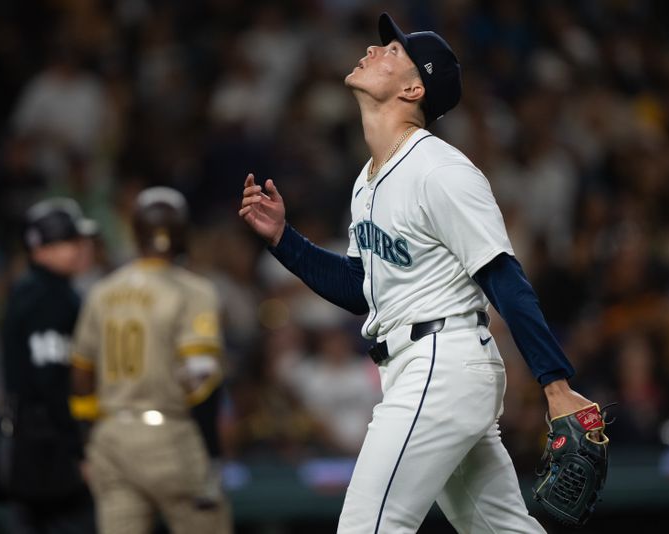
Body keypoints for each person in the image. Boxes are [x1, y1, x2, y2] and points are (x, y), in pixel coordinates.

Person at [240, 13, 600, 533]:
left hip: (442, 361)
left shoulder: (440, 170)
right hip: (425, 365)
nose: (374, 48)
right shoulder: (368, 182)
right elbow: (362, 290)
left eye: (394, 51)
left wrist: (556, 384)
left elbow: (504, 277)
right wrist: (283, 240)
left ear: (413, 88)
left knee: (367, 527)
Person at [71, 187, 231, 534]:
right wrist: (210, 453)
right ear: (182, 233)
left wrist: (88, 434)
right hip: (169, 434)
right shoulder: (193, 289)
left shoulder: (103, 291)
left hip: (111, 436)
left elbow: (81, 372)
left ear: (135, 231)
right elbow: (200, 378)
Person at [0, 197, 97, 533]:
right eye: (70, 241)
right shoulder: (47, 298)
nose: (82, 248)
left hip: (33, 443)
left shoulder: (33, 290)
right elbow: (50, 380)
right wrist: (77, 452)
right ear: (40, 249)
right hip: (49, 452)